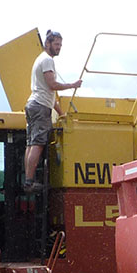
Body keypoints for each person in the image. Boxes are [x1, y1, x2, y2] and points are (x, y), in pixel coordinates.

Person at [23, 30, 82, 191]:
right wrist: (72, 85)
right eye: (56, 44)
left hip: (33, 104)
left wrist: (62, 113)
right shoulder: (47, 60)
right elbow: (52, 85)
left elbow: (50, 94)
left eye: (60, 45)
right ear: (47, 44)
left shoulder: (39, 60)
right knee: (38, 143)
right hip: (40, 106)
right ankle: (29, 181)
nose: (59, 48)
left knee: (31, 143)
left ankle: (28, 179)